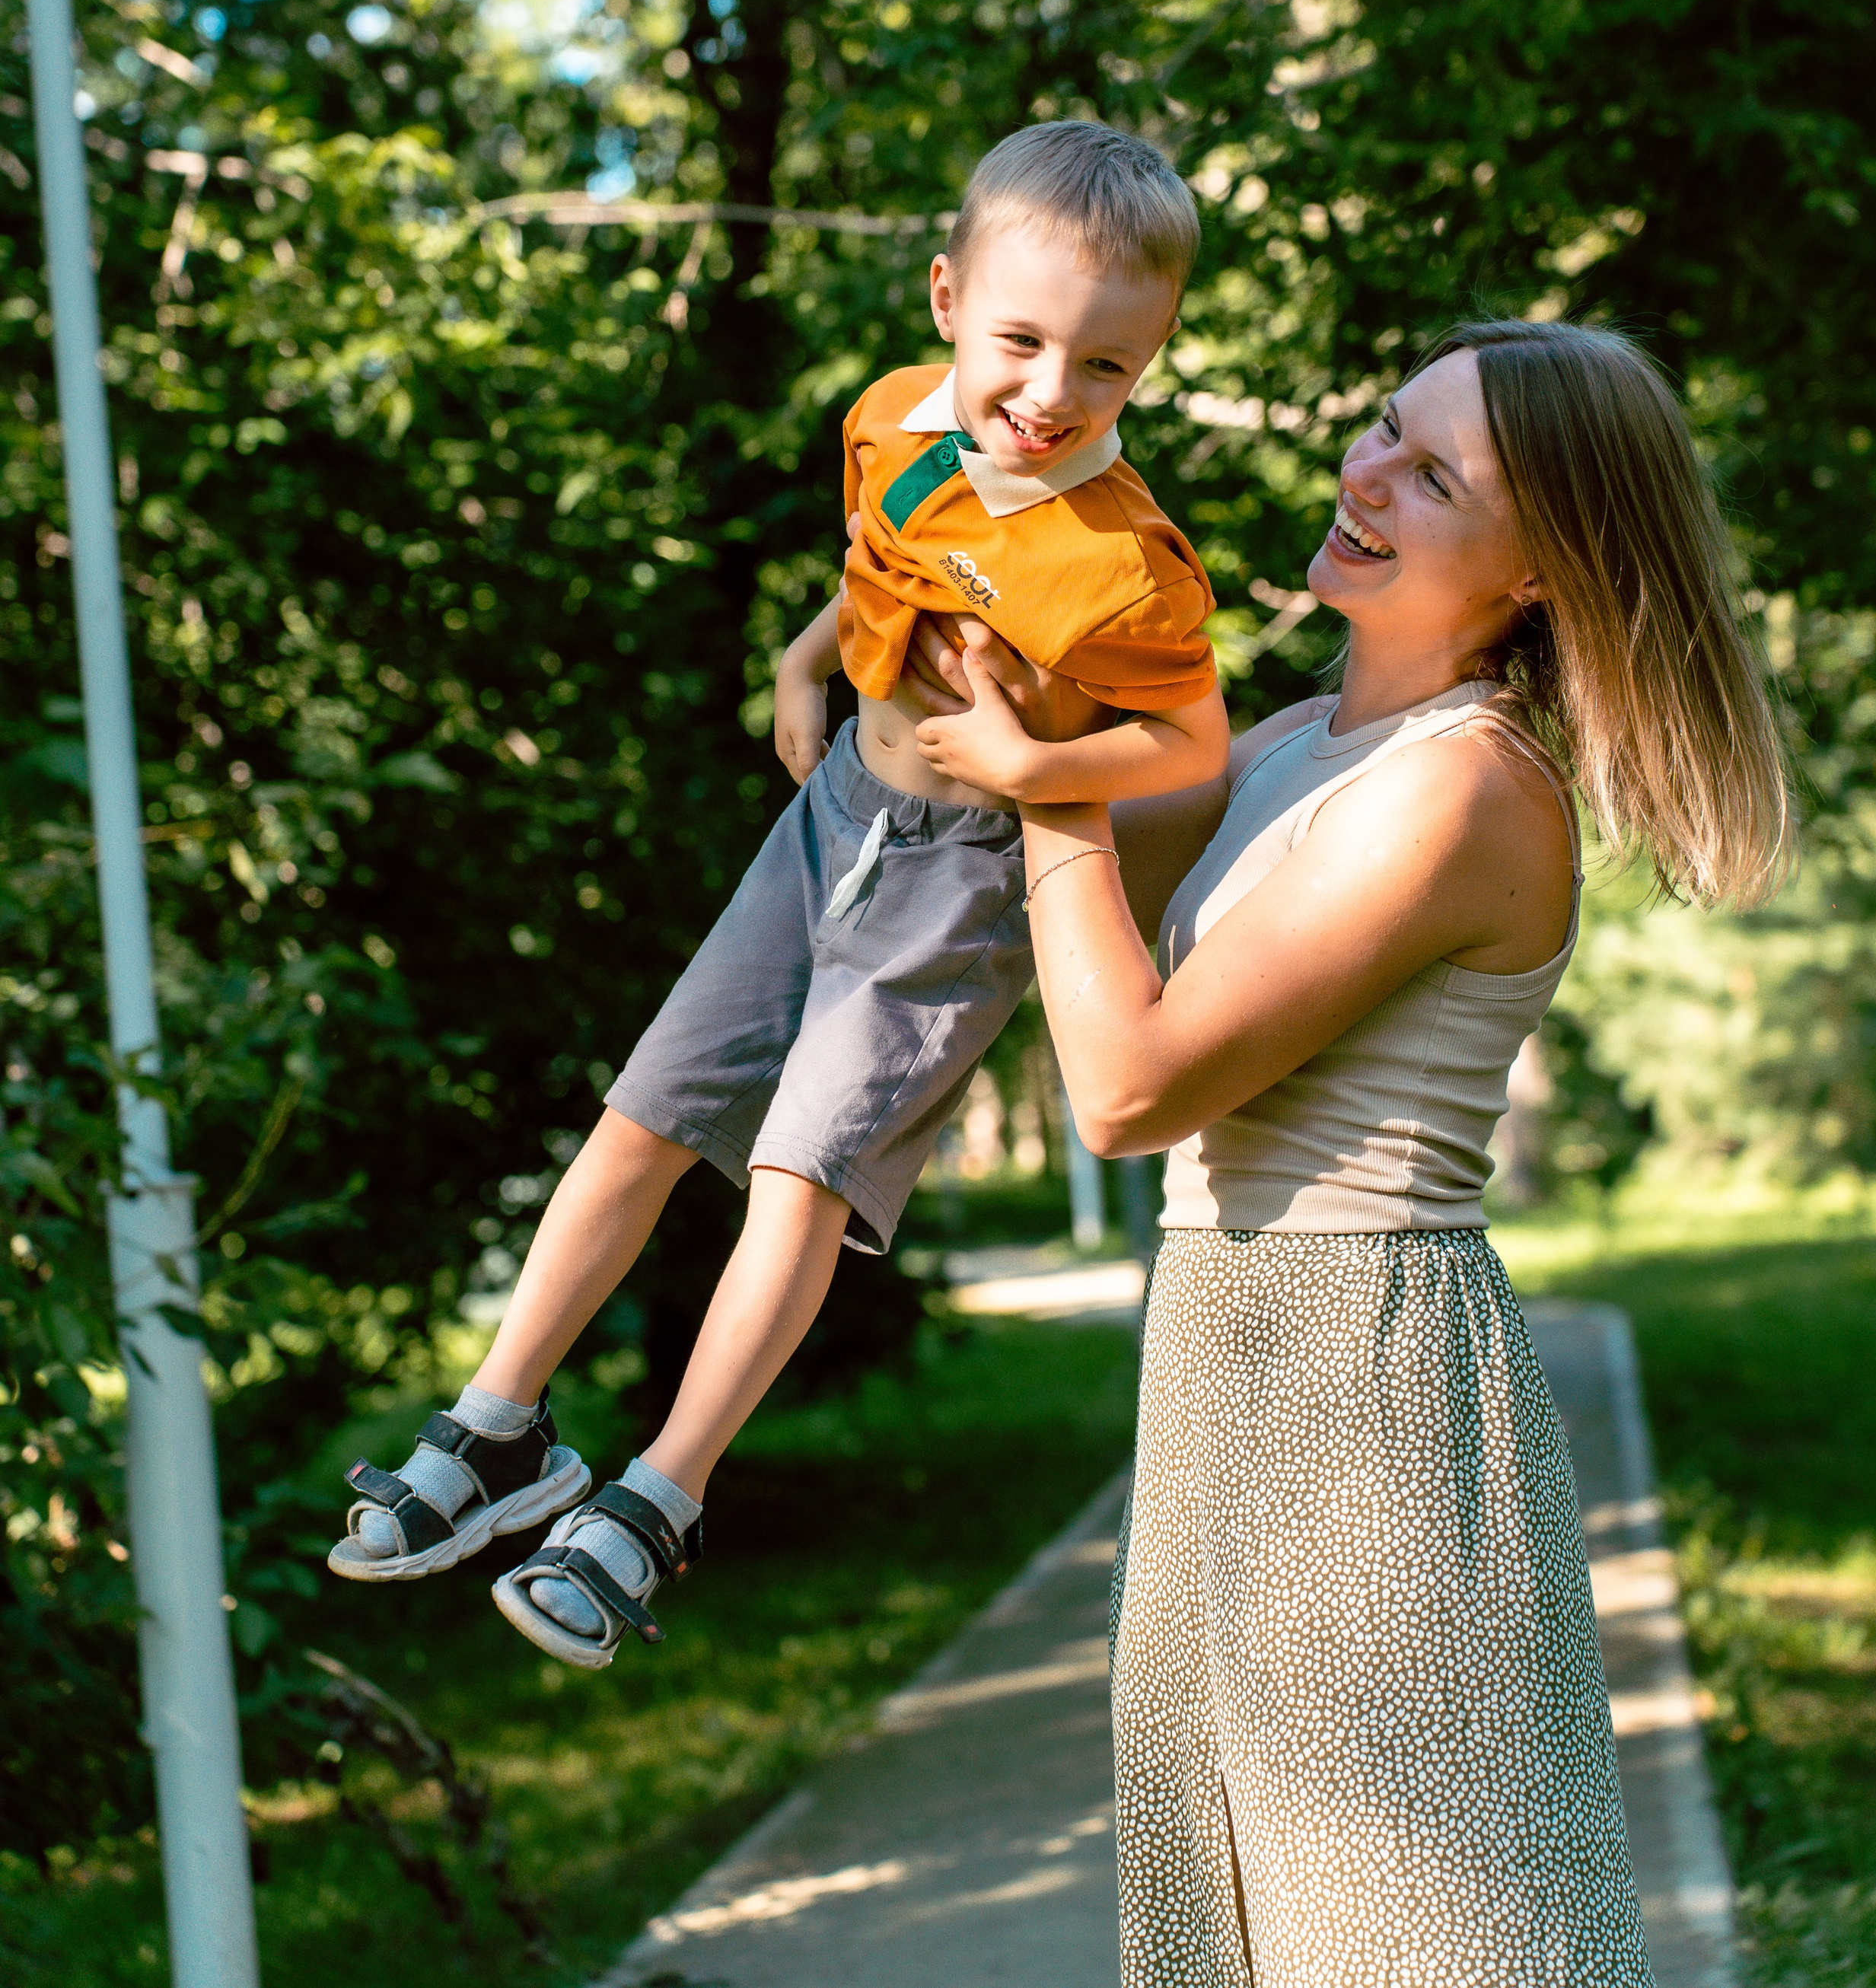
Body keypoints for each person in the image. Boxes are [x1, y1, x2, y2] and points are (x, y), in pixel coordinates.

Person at [906, 317, 1791, 1986]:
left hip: (1361, 1387)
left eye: (1433, 474)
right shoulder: (1295, 745)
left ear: (1538, 573)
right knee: (1229, 1929)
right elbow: (1028, 852)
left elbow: (1126, 1079)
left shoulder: (1464, 790)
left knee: (1406, 1935)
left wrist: (1047, 795)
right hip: (1224, 1368)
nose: (1364, 472)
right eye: (1384, 427)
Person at [327, 120, 1229, 1669]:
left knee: (797, 1177)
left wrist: (1026, 762)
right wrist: (805, 654)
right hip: (830, 815)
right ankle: (498, 1427)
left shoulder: (1128, 564)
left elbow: (1189, 742)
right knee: (644, 1113)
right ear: (947, 299)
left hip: (953, 885)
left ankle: (653, 1502)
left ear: (1146, 361)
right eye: (1020, 343)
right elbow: (885, 552)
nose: (1049, 395)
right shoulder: (896, 416)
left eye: (1105, 368)